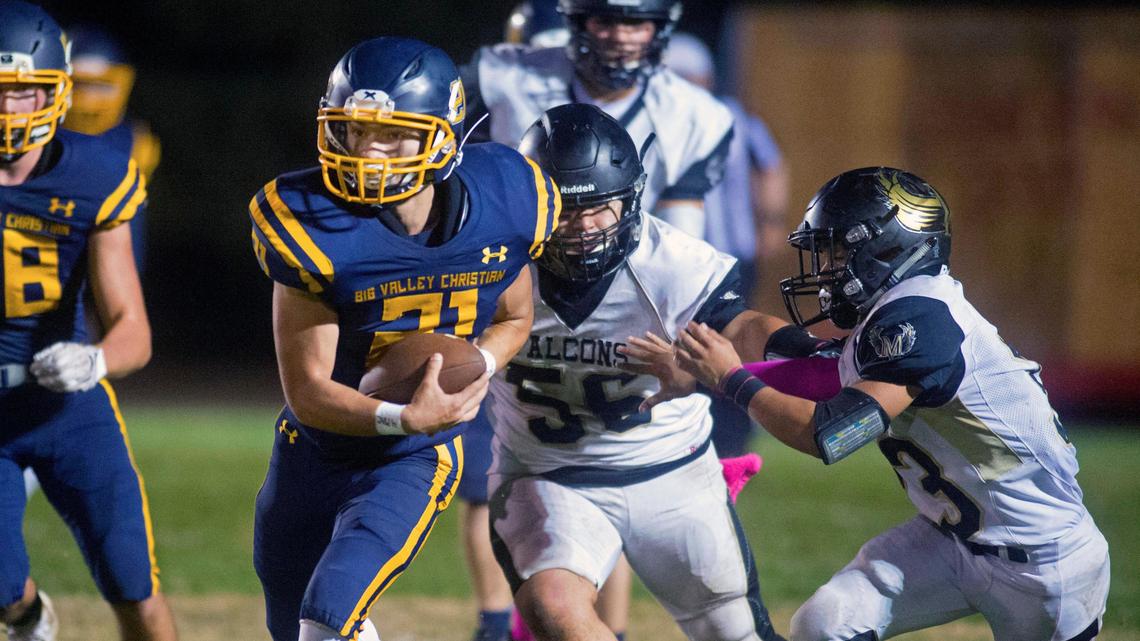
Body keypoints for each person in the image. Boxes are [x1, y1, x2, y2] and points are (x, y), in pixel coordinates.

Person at [653, 167, 1111, 641]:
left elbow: (829, 434)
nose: (825, 267)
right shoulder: (900, 310)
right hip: (951, 540)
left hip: (1042, 562)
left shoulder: (922, 322)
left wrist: (728, 378)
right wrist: (701, 365)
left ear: (886, 246)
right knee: (825, 622)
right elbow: (811, 363)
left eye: (836, 251)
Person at [248, 36, 559, 641]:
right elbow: (309, 390)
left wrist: (470, 374)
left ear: (442, 134)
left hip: (414, 457)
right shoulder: (309, 221)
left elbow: (513, 319)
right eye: (355, 131)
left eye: (392, 135)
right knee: (289, 624)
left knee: (326, 616)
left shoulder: (506, 199)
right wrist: (401, 413)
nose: (369, 152)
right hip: (313, 447)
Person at [461, 5, 743, 638]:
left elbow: (682, 250)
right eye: (605, 18)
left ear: (660, 28)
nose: (620, 35)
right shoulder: (503, 74)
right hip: (516, 290)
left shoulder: (697, 116)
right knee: (498, 478)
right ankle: (497, 619)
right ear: (575, 21)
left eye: (635, 21)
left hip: (626, 301)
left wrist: (686, 347)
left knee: (618, 467)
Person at [488, 103, 787, 641]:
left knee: (734, 630)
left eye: (599, 208)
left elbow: (740, 328)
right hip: (549, 475)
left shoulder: (671, 263)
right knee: (556, 609)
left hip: (670, 472)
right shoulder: (492, 265)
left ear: (629, 198)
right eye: (563, 210)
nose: (582, 229)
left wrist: (797, 345)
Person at [0, 2, 177, 640]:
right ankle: (27, 615)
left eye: (24, 92)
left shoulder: (95, 172)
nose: (9, 111)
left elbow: (133, 328)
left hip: (66, 403)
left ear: (55, 93)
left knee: (132, 581)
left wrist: (94, 359)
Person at [661, 31, 789, 460]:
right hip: (677, 256)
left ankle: (730, 432)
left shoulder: (729, 117)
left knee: (723, 343)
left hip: (727, 253)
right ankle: (692, 428)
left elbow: (769, 166)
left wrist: (769, 222)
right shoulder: (659, 116)